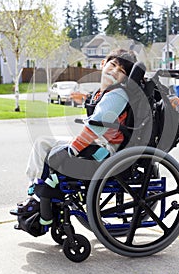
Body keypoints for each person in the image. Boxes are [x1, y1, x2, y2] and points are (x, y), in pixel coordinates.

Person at [10, 49, 137, 220]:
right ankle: (35, 190)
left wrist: (73, 149)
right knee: (42, 143)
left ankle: (41, 196)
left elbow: (98, 124)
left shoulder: (118, 94)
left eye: (121, 71)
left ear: (125, 79)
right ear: (102, 64)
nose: (114, 71)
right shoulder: (104, 93)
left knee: (57, 152)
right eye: (112, 65)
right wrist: (84, 99)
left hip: (105, 150)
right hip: (97, 143)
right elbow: (98, 107)